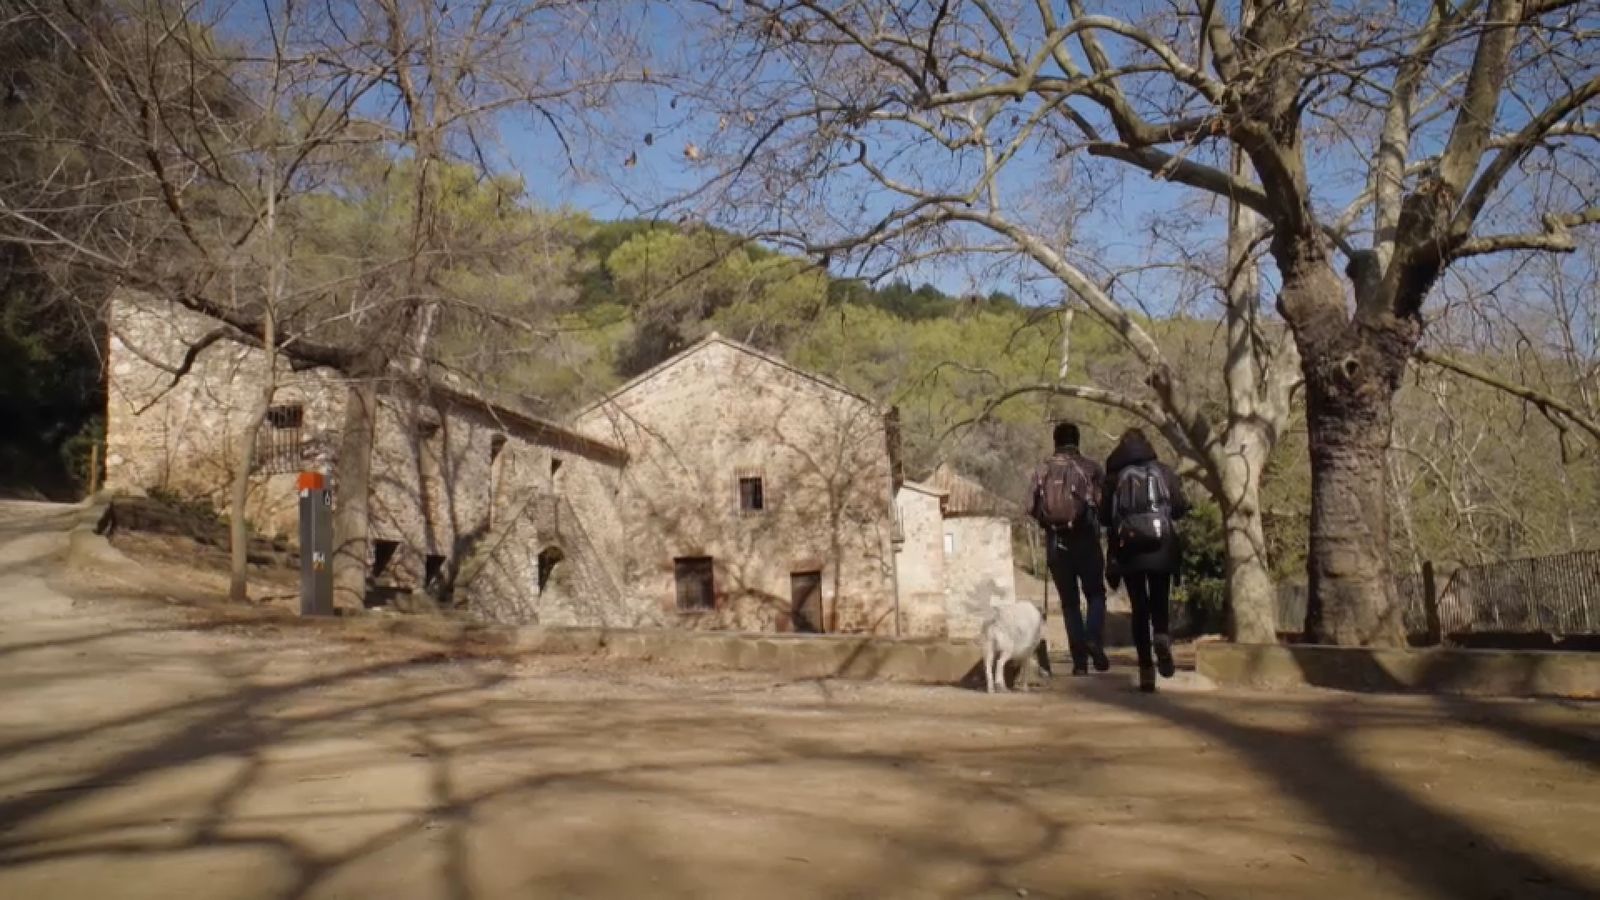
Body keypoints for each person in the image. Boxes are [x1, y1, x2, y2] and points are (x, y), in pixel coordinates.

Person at [1100, 428, 1190, 693]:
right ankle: (1161, 637)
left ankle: (1146, 670)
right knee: (1159, 600)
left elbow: (1105, 518)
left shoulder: (1114, 477)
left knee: (1140, 608)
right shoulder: (1164, 471)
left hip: (1129, 549)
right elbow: (1180, 507)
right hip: (1162, 546)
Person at [1029, 421, 1109, 675]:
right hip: (1086, 540)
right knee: (1096, 595)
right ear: (1077, 441)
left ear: (1055, 442)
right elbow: (1102, 503)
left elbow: (1032, 508)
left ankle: (1079, 663)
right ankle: (1093, 637)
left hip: (1056, 543)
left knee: (1070, 604)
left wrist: (1049, 522)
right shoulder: (1090, 468)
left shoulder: (1042, 470)